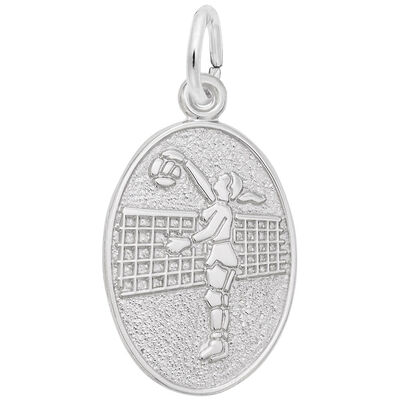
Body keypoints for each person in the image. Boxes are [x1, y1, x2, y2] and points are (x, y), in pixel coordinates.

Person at [162, 149, 265, 361]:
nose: (216, 180)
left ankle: (218, 342)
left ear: (227, 191)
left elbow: (210, 232)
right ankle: (221, 343)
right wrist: (186, 162)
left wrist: (186, 242)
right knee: (219, 298)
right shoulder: (220, 204)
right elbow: (203, 186)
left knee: (215, 298)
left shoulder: (222, 210)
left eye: (220, 180)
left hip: (221, 255)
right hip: (223, 255)